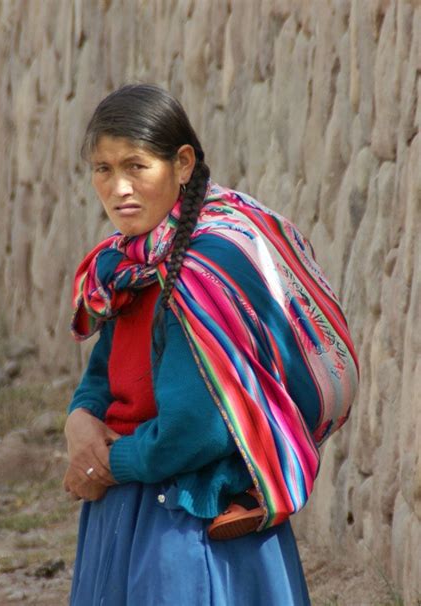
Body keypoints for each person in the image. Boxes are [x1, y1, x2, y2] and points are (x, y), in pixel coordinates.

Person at [63, 84, 359, 605]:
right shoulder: (134, 262)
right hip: (130, 502)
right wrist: (80, 417)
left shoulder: (204, 272)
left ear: (181, 164)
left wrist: (108, 466)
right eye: (103, 169)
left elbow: (193, 429)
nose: (118, 188)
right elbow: (106, 365)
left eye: (136, 165)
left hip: (186, 524)